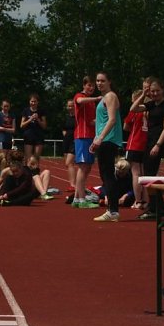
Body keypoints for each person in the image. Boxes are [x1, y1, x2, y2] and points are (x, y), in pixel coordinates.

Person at [137, 78, 164, 220]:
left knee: (150, 175)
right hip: (149, 141)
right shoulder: (151, 104)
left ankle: (156, 208)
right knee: (148, 175)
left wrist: (158, 145)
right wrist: (143, 94)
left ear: (162, 90)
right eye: (152, 91)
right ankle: (159, 207)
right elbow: (133, 108)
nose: (154, 93)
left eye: (157, 90)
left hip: (157, 143)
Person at [89, 71, 123, 222]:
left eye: (102, 80)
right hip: (103, 140)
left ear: (109, 82)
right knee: (105, 175)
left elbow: (112, 120)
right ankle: (112, 210)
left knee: (107, 175)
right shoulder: (104, 98)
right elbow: (102, 121)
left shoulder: (110, 96)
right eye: (97, 81)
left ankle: (113, 210)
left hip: (108, 140)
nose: (99, 83)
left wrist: (101, 138)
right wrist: (96, 138)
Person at [72, 77, 101, 208]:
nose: (91, 88)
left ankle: (77, 198)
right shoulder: (80, 96)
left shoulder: (91, 103)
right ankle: (81, 199)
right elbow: (79, 101)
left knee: (87, 167)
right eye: (89, 85)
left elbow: (91, 121)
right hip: (82, 136)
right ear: (84, 85)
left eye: (93, 86)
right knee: (83, 167)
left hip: (90, 136)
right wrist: (96, 98)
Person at [123, 89, 148, 209]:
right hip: (146, 144)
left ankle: (138, 201)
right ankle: (146, 200)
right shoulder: (149, 110)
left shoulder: (135, 111)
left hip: (134, 144)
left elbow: (126, 126)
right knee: (145, 174)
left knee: (136, 174)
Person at [20, 93, 47, 161]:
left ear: (38, 102)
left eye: (35, 101)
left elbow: (44, 126)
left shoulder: (41, 111)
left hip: (39, 136)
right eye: (32, 101)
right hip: (28, 136)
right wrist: (30, 119)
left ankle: (36, 168)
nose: (33, 103)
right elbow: (22, 125)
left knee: (36, 158)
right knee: (28, 158)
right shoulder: (26, 111)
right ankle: (28, 168)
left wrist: (38, 119)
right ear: (29, 102)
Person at [62, 99, 76, 197]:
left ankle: (73, 184)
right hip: (66, 141)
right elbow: (63, 128)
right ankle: (72, 183)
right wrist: (65, 135)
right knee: (68, 164)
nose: (70, 107)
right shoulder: (66, 117)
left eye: (72, 106)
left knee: (69, 162)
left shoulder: (77, 117)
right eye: (69, 106)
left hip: (74, 141)